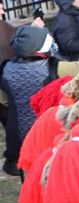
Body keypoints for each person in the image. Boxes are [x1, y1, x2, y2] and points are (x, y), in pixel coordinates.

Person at [1, 24, 57, 175]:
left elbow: (3, 101)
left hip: (18, 134)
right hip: (46, 132)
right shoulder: (49, 67)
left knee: (31, 173)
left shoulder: (6, 70)